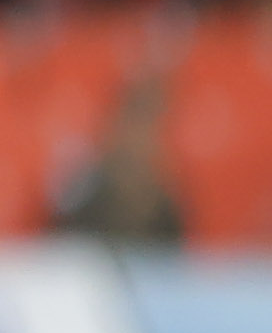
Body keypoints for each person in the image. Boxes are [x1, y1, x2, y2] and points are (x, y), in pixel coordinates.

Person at [55, 60, 191, 249]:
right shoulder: (84, 199)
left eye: (158, 124)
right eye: (138, 122)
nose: (144, 138)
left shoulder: (170, 210)